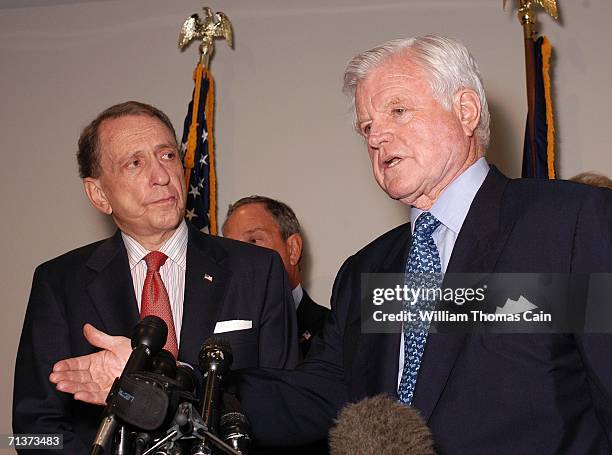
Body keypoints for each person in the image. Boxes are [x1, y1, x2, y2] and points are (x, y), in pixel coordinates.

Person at [47, 36, 612, 454]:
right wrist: (170, 386)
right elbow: (318, 396)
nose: (378, 135)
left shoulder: (570, 223)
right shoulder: (370, 269)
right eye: (366, 126)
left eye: (397, 111)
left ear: (465, 111)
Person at [13, 101, 298, 454]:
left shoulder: (257, 270)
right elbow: (34, 429)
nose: (161, 176)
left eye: (166, 156)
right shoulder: (58, 283)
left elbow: (286, 407)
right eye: (135, 163)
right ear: (99, 194)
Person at [222, 195, 330, 357]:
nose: (239, 257)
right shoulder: (217, 333)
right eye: (231, 248)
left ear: (293, 249)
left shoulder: (331, 330)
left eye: (253, 241)